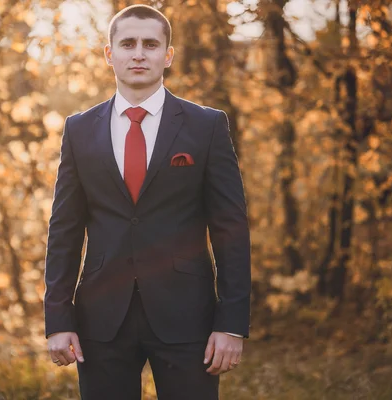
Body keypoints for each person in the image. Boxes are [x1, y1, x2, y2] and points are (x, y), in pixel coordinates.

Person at [43, 4, 251, 399]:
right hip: (101, 320)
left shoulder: (206, 126)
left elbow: (231, 231)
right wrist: (58, 319)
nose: (139, 53)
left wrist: (231, 323)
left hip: (188, 317)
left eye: (151, 44)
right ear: (110, 54)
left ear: (167, 55)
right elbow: (64, 231)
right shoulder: (79, 129)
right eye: (128, 43)